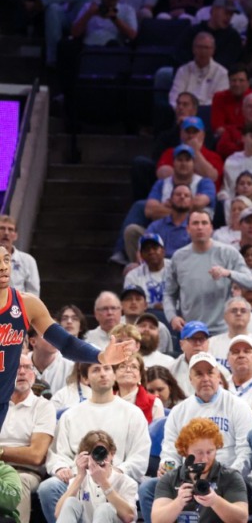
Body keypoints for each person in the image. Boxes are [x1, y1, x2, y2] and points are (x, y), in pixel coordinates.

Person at [0, 246, 134, 430]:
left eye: (6, 260)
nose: (3, 267)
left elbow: (65, 342)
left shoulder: (26, 303)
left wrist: (101, 357)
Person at [39, 361, 150, 522]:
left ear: (114, 375)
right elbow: (57, 454)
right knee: (48, 487)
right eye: (96, 370)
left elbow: (139, 458)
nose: (103, 374)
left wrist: (113, 472)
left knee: (107, 507)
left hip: (117, 477)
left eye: (107, 369)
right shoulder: (70, 415)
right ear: (85, 378)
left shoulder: (133, 413)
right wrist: (63, 467)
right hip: (78, 477)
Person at [163, 210, 252, 334]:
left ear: (211, 228)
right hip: (191, 331)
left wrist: (228, 273)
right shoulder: (178, 257)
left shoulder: (229, 253)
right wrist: (172, 317)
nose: (200, 227)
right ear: (188, 229)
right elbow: (169, 294)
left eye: (204, 223)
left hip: (222, 331)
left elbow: (251, 283)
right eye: (195, 223)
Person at [152, 417, 248, 523]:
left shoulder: (230, 477)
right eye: (199, 453)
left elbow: (242, 519)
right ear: (185, 450)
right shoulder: (170, 478)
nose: (205, 459)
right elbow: (157, 520)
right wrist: (178, 503)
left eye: (210, 452)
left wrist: (215, 501)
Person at [0, 354, 56, 523]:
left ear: (34, 374)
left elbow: (36, 456)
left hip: (26, 472)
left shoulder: (43, 407)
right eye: (17, 368)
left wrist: (1, 451)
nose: (22, 372)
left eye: (27, 367)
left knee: (18, 482)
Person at [53, 430, 139, 523]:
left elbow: (129, 517)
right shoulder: (80, 480)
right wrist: (79, 476)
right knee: (70, 502)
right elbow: (58, 514)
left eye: (103, 452)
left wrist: (103, 482)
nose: (99, 457)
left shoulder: (126, 482)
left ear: (112, 454)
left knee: (105, 509)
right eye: (95, 453)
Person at [0, 216, 40, 295]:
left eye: (10, 229)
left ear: (15, 235)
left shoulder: (28, 260)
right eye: (2, 228)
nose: (6, 233)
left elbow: (33, 293)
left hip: (18, 305)